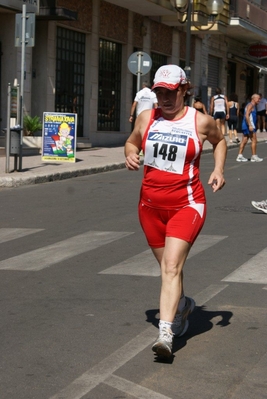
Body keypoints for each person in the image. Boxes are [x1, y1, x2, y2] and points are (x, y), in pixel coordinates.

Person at [124, 64, 227, 358]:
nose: (165, 99)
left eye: (170, 92)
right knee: (168, 269)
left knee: (171, 267)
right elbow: (132, 140)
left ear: (183, 89)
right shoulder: (147, 117)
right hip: (150, 208)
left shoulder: (200, 121)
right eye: (159, 92)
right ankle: (183, 306)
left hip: (187, 205)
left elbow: (220, 141)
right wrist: (131, 152)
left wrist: (218, 169)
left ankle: (165, 334)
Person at [236, 93, 263, 162]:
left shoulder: (251, 105)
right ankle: (254, 156)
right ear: (253, 98)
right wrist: (250, 125)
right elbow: (246, 115)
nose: (259, 100)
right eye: (258, 99)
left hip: (246, 125)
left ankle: (240, 156)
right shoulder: (251, 105)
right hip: (249, 125)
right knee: (254, 140)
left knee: (244, 141)